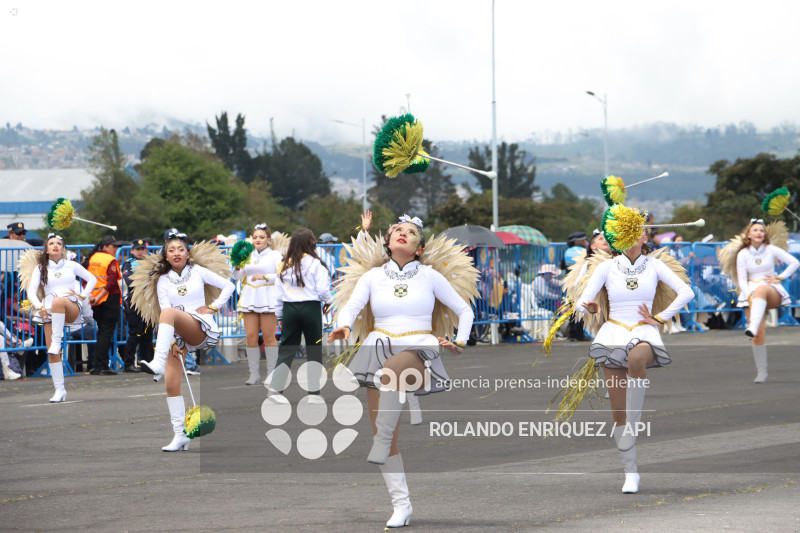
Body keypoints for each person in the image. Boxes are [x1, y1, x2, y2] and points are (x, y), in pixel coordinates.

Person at [327, 214, 475, 529]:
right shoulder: (372, 277)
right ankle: (401, 505)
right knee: (384, 436)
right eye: (397, 230)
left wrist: (460, 342)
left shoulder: (431, 275)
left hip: (418, 347)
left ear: (419, 248)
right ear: (388, 241)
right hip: (377, 347)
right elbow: (352, 307)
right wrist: (342, 326)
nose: (403, 234)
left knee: (391, 372)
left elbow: (465, 310)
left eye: (410, 232)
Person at [575, 224, 693, 494]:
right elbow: (584, 299)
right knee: (618, 413)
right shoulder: (607, 266)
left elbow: (687, 292)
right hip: (612, 332)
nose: (633, 235)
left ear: (645, 237)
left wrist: (660, 318)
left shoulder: (654, 265)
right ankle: (631, 473)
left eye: (639, 231)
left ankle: (635, 424)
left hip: (644, 331)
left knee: (637, 357)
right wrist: (590, 306)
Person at [137, 233, 235, 451]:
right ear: (166, 257)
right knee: (171, 384)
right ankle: (180, 435)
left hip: (199, 327)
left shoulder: (197, 271)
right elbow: (163, 311)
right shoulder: (162, 280)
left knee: (170, 313)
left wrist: (214, 306)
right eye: (171, 250)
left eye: (180, 249)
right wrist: (172, 341)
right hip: (177, 333)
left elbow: (229, 286)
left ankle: (157, 363)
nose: (176, 253)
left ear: (187, 254)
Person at [24, 234, 97, 401]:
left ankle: (57, 339)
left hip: (71, 305)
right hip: (49, 309)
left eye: (59, 244)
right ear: (47, 249)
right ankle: (59, 390)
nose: (55, 246)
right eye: (51, 243)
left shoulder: (72, 265)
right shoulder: (40, 268)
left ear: (63, 249)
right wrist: (40, 306)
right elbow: (31, 292)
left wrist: (83, 296)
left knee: (58, 301)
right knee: (52, 352)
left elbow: (92, 279)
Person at [725, 219, 798, 382]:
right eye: (755, 230)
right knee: (757, 335)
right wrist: (748, 293)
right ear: (748, 234)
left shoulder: (771, 249)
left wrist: (779, 277)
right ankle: (762, 371)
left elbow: (794, 262)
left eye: (762, 231)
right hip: (750, 292)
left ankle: (752, 324)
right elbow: (742, 280)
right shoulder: (742, 254)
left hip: (770, 289)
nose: (759, 233)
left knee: (762, 289)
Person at [266, 228, 332, 400]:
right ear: (311, 243)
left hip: (290, 309)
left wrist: (279, 315)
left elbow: (278, 294)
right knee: (314, 350)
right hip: (310, 309)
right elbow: (323, 290)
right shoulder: (316, 263)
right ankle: (313, 393)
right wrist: (329, 302)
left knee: (286, 350)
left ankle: (276, 390)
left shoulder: (283, 264)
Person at [232, 223, 282, 385]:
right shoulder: (247, 255)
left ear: (268, 239)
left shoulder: (275, 255)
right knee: (250, 336)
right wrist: (237, 263)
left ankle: (272, 373)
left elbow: (282, 275)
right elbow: (237, 276)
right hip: (250, 297)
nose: (258, 240)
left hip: (267, 297)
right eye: (255, 237)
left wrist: (265, 277)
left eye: (261, 237)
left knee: (269, 337)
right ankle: (253, 374)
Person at [85, 235, 126, 375]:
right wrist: (99, 297)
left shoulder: (91, 258)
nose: (115, 249)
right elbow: (111, 282)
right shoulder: (110, 260)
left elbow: (85, 279)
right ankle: (101, 366)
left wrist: (92, 296)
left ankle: (98, 365)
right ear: (105, 247)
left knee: (102, 332)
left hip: (95, 300)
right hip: (108, 299)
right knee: (106, 334)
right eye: (113, 246)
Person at [120, 239, 151, 373]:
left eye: (142, 249)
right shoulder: (129, 264)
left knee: (148, 333)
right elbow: (129, 280)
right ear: (133, 250)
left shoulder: (151, 263)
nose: (140, 251)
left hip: (149, 301)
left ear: (146, 250)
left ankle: (148, 362)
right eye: (137, 249)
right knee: (134, 333)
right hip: (135, 300)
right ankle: (128, 364)